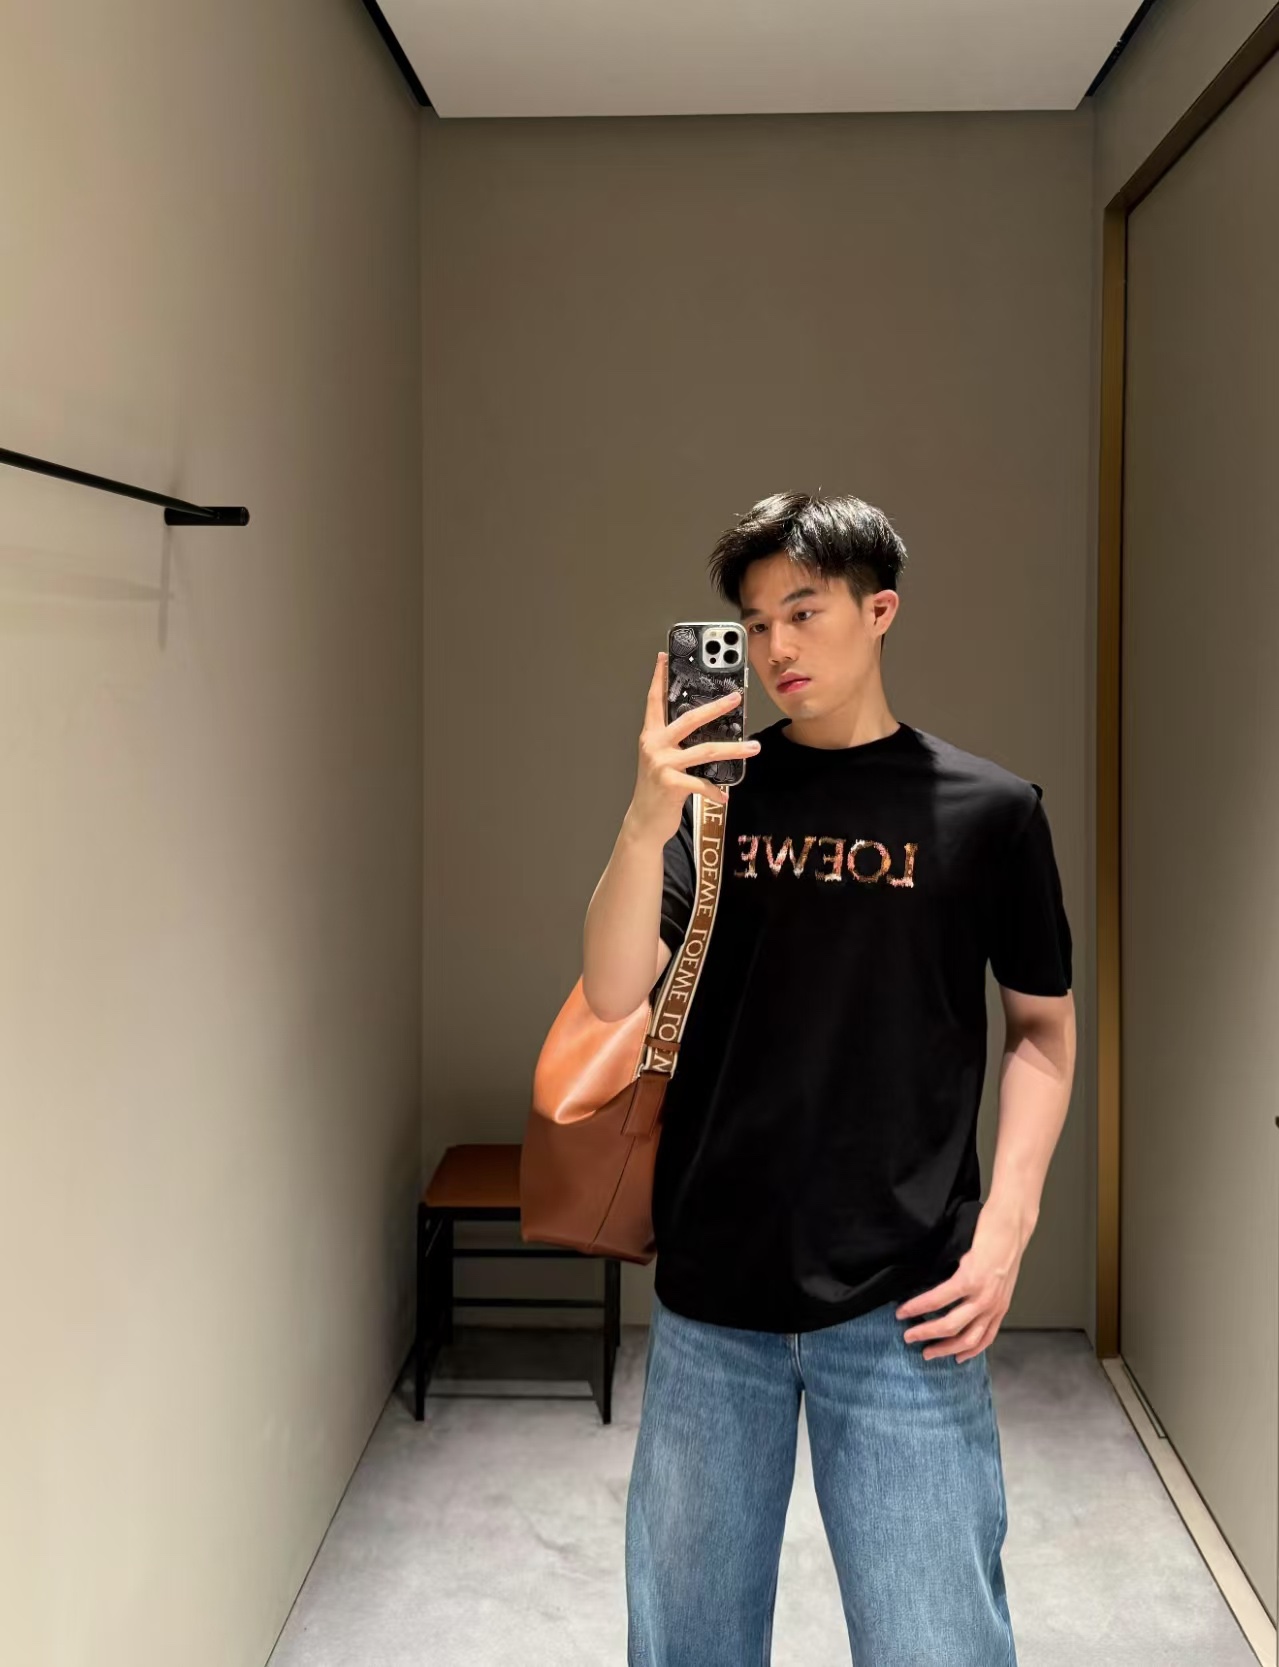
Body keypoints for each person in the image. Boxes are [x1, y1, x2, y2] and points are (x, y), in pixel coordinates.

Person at [581, 491, 1076, 1667]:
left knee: (936, 1644)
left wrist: (1007, 1225)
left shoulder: (989, 812)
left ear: (879, 610)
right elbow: (610, 990)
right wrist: (645, 820)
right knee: (687, 1644)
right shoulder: (715, 802)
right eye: (755, 624)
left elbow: (1041, 1033)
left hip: (906, 1299)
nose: (777, 647)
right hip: (713, 1294)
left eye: (804, 611)